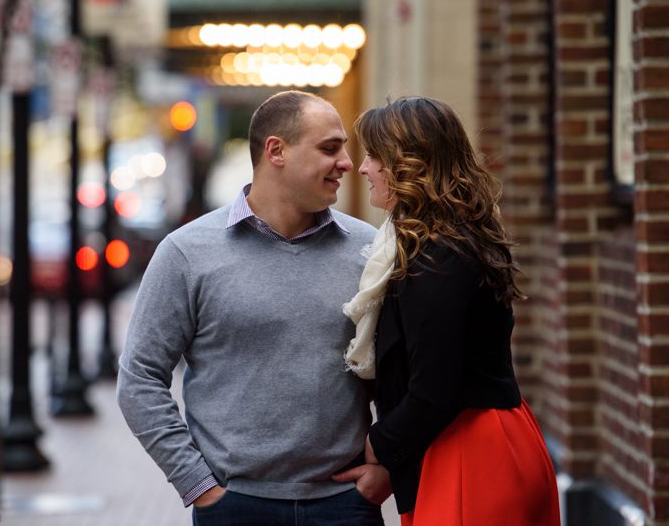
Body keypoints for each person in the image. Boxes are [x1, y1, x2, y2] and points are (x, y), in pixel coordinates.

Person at [117, 90, 384, 526]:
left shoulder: (369, 250)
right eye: (329, 148)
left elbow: (400, 369)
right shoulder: (186, 253)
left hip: (345, 506)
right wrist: (199, 487)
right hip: (234, 507)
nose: (347, 164)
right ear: (275, 150)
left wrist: (387, 464)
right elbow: (139, 378)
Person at [331, 96, 561, 525]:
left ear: (407, 164)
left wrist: (376, 446)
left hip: (470, 451)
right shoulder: (439, 241)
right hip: (472, 439)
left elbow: (435, 389)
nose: (362, 168)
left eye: (374, 157)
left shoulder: (439, 256)